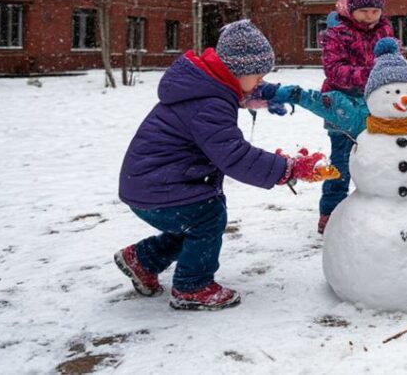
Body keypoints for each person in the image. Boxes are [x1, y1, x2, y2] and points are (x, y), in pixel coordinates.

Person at [114, 20, 333, 310]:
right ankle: (192, 286)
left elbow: (240, 95)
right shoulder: (209, 104)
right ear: (236, 72)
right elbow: (234, 156)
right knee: (207, 218)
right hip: (158, 186)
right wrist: (287, 168)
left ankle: (143, 259)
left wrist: (265, 97)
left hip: (151, 182)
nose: (259, 83)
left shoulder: (206, 87)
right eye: (258, 76)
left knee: (193, 224)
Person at [317, 0, 394, 233]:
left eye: (375, 11)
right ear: (352, 8)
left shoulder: (385, 28)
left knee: (373, 160)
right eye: (364, 12)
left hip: (374, 108)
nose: (370, 17)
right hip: (341, 107)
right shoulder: (336, 32)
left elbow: (393, 60)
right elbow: (334, 71)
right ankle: (330, 211)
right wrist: (369, 75)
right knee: (339, 164)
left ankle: (372, 211)